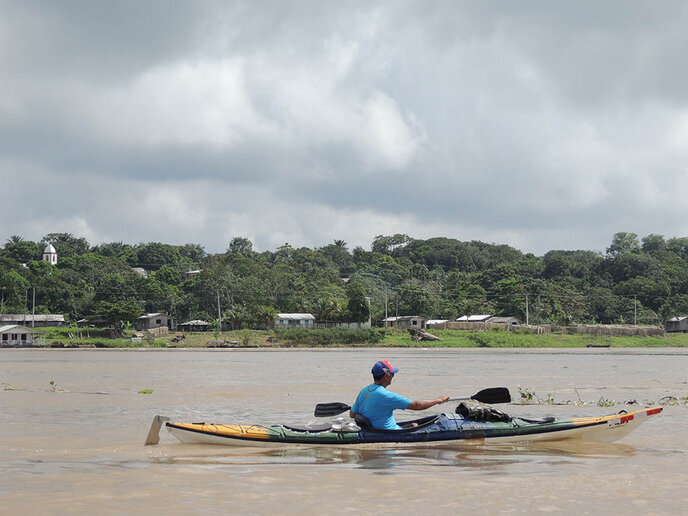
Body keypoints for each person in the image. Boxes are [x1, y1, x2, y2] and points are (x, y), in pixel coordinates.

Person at [349, 360, 450, 430]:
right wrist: (438, 400)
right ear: (386, 376)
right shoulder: (386, 396)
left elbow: (352, 414)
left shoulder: (364, 391)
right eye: (392, 374)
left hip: (372, 430)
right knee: (414, 426)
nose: (393, 376)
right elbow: (417, 405)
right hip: (389, 432)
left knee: (414, 424)